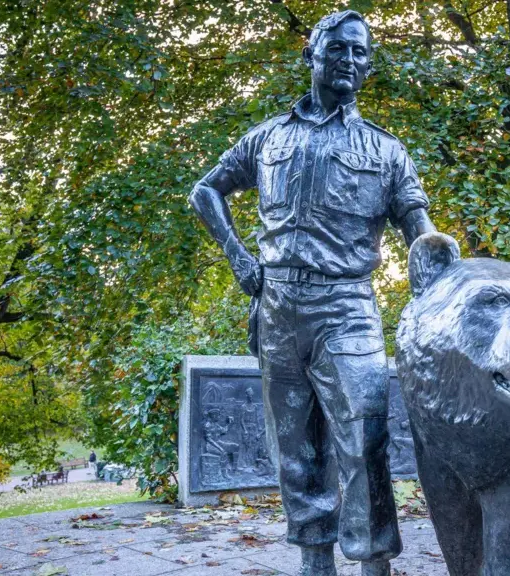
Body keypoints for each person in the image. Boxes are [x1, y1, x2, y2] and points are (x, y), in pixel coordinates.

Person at [189, 10, 434, 576]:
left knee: (364, 435)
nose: (349, 60)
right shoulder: (268, 136)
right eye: (338, 49)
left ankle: (373, 561)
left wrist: (444, 287)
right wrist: (237, 254)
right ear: (312, 55)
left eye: (360, 53)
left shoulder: (387, 151)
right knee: (295, 446)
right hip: (276, 308)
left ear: (367, 66)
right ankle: (314, 557)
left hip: (348, 306)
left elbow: (419, 230)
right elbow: (207, 191)